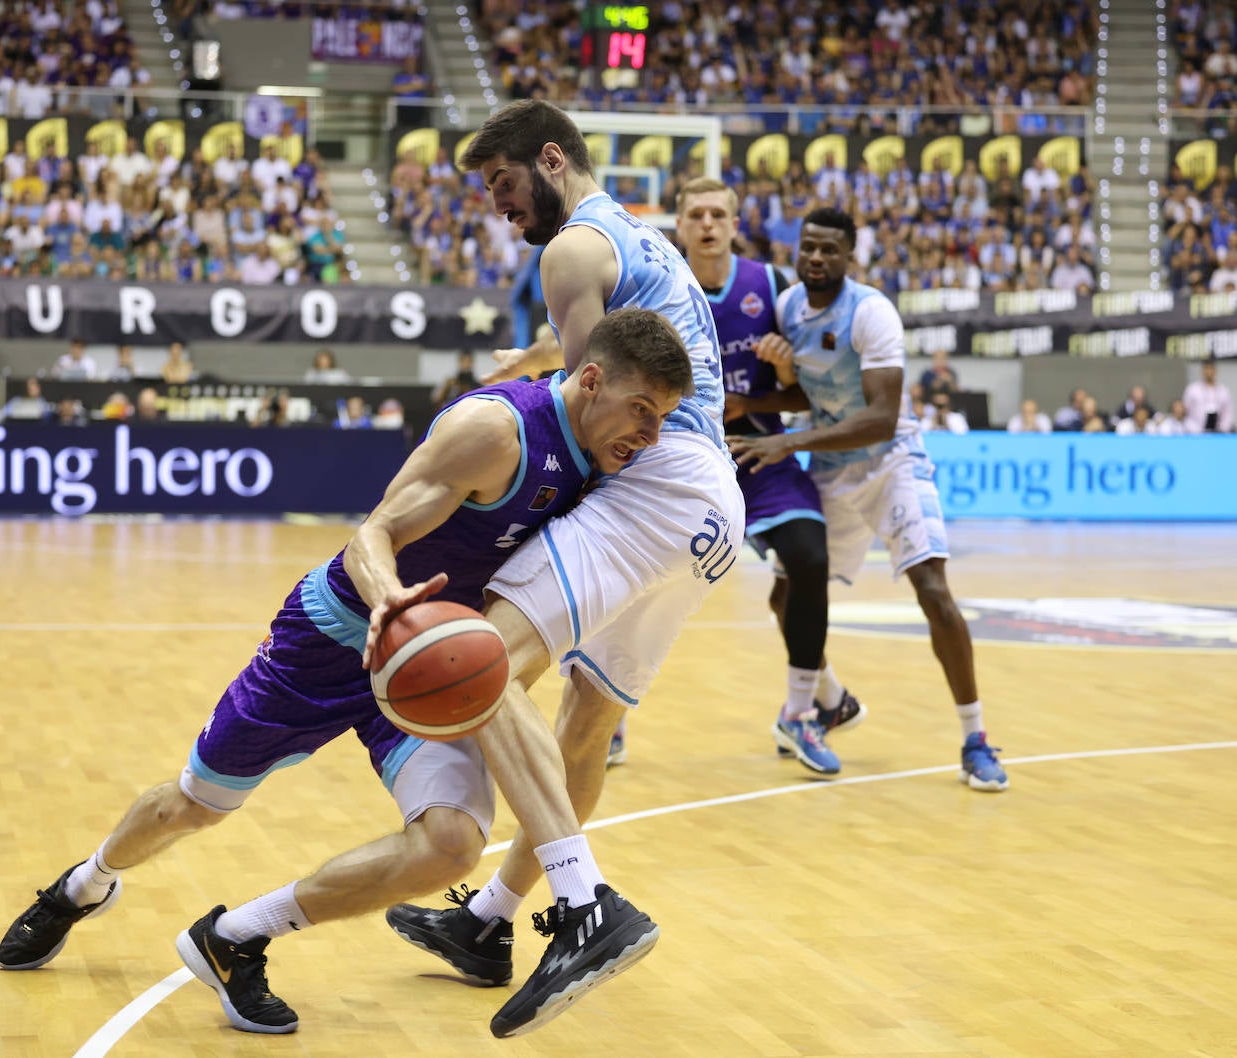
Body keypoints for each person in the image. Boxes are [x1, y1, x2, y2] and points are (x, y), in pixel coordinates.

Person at [0, 310, 692, 1038]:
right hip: (331, 639)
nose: (650, 435)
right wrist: (388, 595)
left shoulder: (611, 461)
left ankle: (237, 937)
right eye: (641, 411)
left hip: (430, 664)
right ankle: (82, 885)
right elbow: (373, 533)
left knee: (452, 844)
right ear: (590, 381)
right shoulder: (497, 430)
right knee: (192, 806)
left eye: (663, 419)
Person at [384, 100, 748, 1002]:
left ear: (551, 158)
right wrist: (537, 354)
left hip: (656, 484)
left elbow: (581, 421)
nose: (502, 208)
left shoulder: (569, 251)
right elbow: (591, 362)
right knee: (590, 716)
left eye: (505, 185)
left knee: (478, 667)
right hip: (712, 510)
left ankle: (586, 905)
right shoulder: (636, 236)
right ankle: (489, 922)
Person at [726, 206, 1009, 793]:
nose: (817, 258)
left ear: (849, 255)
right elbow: (807, 393)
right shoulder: (788, 310)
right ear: (797, 250)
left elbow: (880, 418)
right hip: (833, 467)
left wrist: (788, 441)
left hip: (893, 461)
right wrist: (752, 408)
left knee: (933, 590)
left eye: (830, 249)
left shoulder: (871, 311)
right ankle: (825, 699)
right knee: (788, 593)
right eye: (809, 247)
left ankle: (975, 738)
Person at [666, 176, 865, 775]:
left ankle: (803, 712)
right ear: (679, 226)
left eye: (717, 214)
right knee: (632, 580)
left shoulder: (773, 286)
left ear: (734, 223)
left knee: (808, 557)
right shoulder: (658, 287)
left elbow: (805, 395)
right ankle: (607, 717)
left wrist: (779, 379)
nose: (706, 224)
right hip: (680, 462)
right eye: (695, 214)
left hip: (756, 454)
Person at [1183, 357, 1233, 433]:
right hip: (1196, 434)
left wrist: (1222, 430)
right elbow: (1185, 413)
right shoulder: (1192, 390)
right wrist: (1195, 430)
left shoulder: (1223, 391)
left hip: (1218, 434)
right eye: (1206, 368)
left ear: (1215, 371)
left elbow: (1227, 414)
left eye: (1211, 368)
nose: (1208, 372)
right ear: (1202, 371)